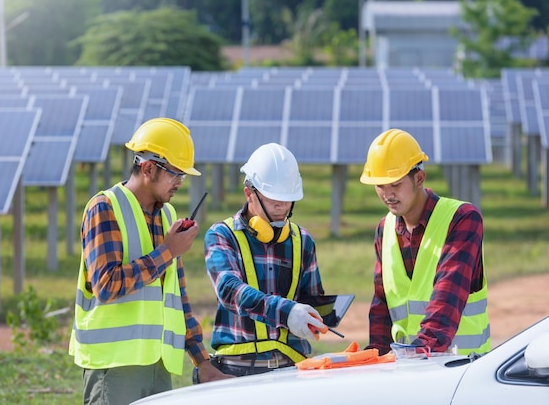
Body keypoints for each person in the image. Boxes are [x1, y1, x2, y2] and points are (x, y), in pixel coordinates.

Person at [68, 117, 232, 404]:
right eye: (175, 174)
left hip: (158, 366)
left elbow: (177, 297)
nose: (180, 183)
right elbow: (106, 285)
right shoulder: (104, 208)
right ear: (148, 168)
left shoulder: (167, 216)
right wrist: (167, 251)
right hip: (114, 368)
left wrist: (202, 362)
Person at [359, 128, 490, 356]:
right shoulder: (384, 229)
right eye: (380, 186)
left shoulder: (462, 219)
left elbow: (448, 297)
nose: (387, 194)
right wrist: (374, 358)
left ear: (419, 178)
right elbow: (381, 307)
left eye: (396, 184)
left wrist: (419, 353)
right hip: (410, 370)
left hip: (461, 369)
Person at [203, 142, 328, 377]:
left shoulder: (302, 241)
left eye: (288, 199)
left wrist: (321, 314)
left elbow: (311, 299)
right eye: (273, 199)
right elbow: (230, 290)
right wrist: (287, 312)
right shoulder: (222, 235)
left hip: (291, 367)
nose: (282, 206)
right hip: (237, 368)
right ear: (249, 193)